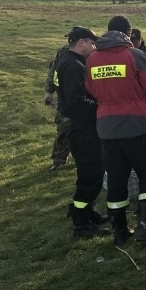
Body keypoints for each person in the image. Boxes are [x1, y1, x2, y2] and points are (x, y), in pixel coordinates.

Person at [85, 15, 146, 245]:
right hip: (137, 125)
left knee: (116, 178)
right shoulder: (135, 55)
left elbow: (91, 89)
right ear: (128, 33)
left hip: (107, 128)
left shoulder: (92, 59)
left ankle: (120, 231)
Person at [55, 26, 109, 238]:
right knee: (90, 174)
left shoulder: (71, 62)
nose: (94, 46)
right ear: (81, 42)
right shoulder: (72, 65)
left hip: (83, 126)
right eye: (92, 42)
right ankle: (81, 221)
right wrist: (101, 106)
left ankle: (87, 212)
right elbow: (76, 101)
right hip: (83, 128)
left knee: (92, 172)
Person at [44, 42, 72, 170]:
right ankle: (59, 160)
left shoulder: (92, 49)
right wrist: (49, 91)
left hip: (84, 97)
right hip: (65, 97)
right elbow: (54, 70)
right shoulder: (64, 51)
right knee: (63, 129)